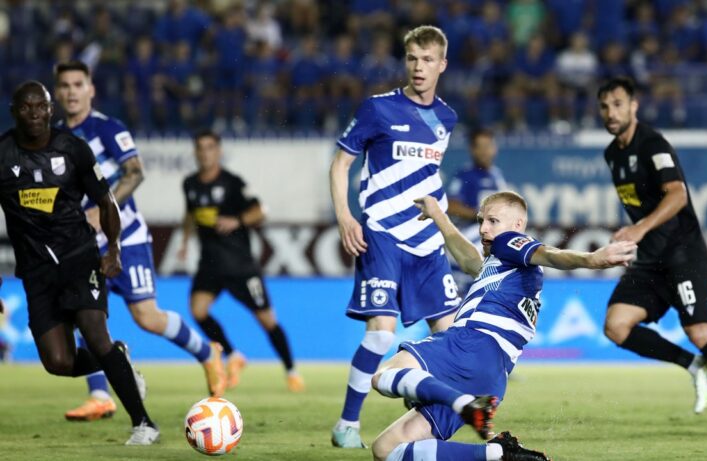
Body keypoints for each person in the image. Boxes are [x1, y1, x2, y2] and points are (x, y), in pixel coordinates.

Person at [367, 191, 636, 461]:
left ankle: (465, 404)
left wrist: (591, 259)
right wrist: (438, 215)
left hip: (470, 344)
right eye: (481, 220)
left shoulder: (509, 242)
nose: (483, 228)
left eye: (493, 221)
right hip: (491, 376)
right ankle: (498, 453)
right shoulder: (506, 268)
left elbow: (551, 254)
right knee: (386, 450)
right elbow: (469, 260)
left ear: (517, 225)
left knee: (382, 376)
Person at [53, 61, 226, 423]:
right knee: (81, 315)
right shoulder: (55, 138)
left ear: (90, 89)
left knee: (147, 317)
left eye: (78, 84)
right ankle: (100, 395)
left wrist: (104, 209)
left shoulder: (107, 128)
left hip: (125, 237)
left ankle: (206, 353)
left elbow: (135, 172)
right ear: (57, 91)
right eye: (65, 85)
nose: (71, 91)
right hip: (82, 244)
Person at [597, 77, 707, 431]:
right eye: (604, 106)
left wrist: (639, 229)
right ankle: (694, 365)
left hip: (682, 252)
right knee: (616, 325)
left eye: (617, 104)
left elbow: (677, 195)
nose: (611, 112)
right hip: (651, 259)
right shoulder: (612, 154)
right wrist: (636, 237)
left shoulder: (653, 144)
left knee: (701, 332)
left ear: (634, 106)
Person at [0, 81, 158, 444]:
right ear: (14, 112)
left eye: (41, 106)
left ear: (50, 110)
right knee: (58, 362)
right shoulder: (3, 154)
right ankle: (119, 361)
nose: (34, 114)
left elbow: (107, 202)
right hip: (36, 271)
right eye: (26, 107)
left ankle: (144, 424)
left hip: (79, 258)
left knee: (95, 334)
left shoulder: (73, 148)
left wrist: (113, 250)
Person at [329, 25, 463, 448]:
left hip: (427, 241)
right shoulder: (378, 108)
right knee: (381, 333)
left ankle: (425, 415)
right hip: (382, 233)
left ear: (442, 65)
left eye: (427, 60)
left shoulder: (446, 118)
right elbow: (340, 164)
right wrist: (345, 217)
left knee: (450, 337)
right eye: (412, 59)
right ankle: (347, 424)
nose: (418, 67)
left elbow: (426, 174)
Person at [178, 129, 304, 393]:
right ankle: (233, 355)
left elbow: (261, 210)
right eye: (200, 148)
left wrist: (237, 220)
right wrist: (185, 242)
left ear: (219, 151)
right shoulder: (189, 184)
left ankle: (291, 371)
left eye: (210, 147)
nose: (205, 153)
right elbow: (189, 214)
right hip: (210, 264)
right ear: (195, 152)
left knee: (267, 320)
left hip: (241, 266)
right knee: (198, 310)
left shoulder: (233, 183)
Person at [446, 127, 508, 294]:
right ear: (472, 150)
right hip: (468, 234)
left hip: (489, 236)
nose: (485, 151)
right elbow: (451, 205)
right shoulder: (465, 175)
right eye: (481, 147)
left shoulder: (497, 175)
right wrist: (479, 215)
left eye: (488, 146)